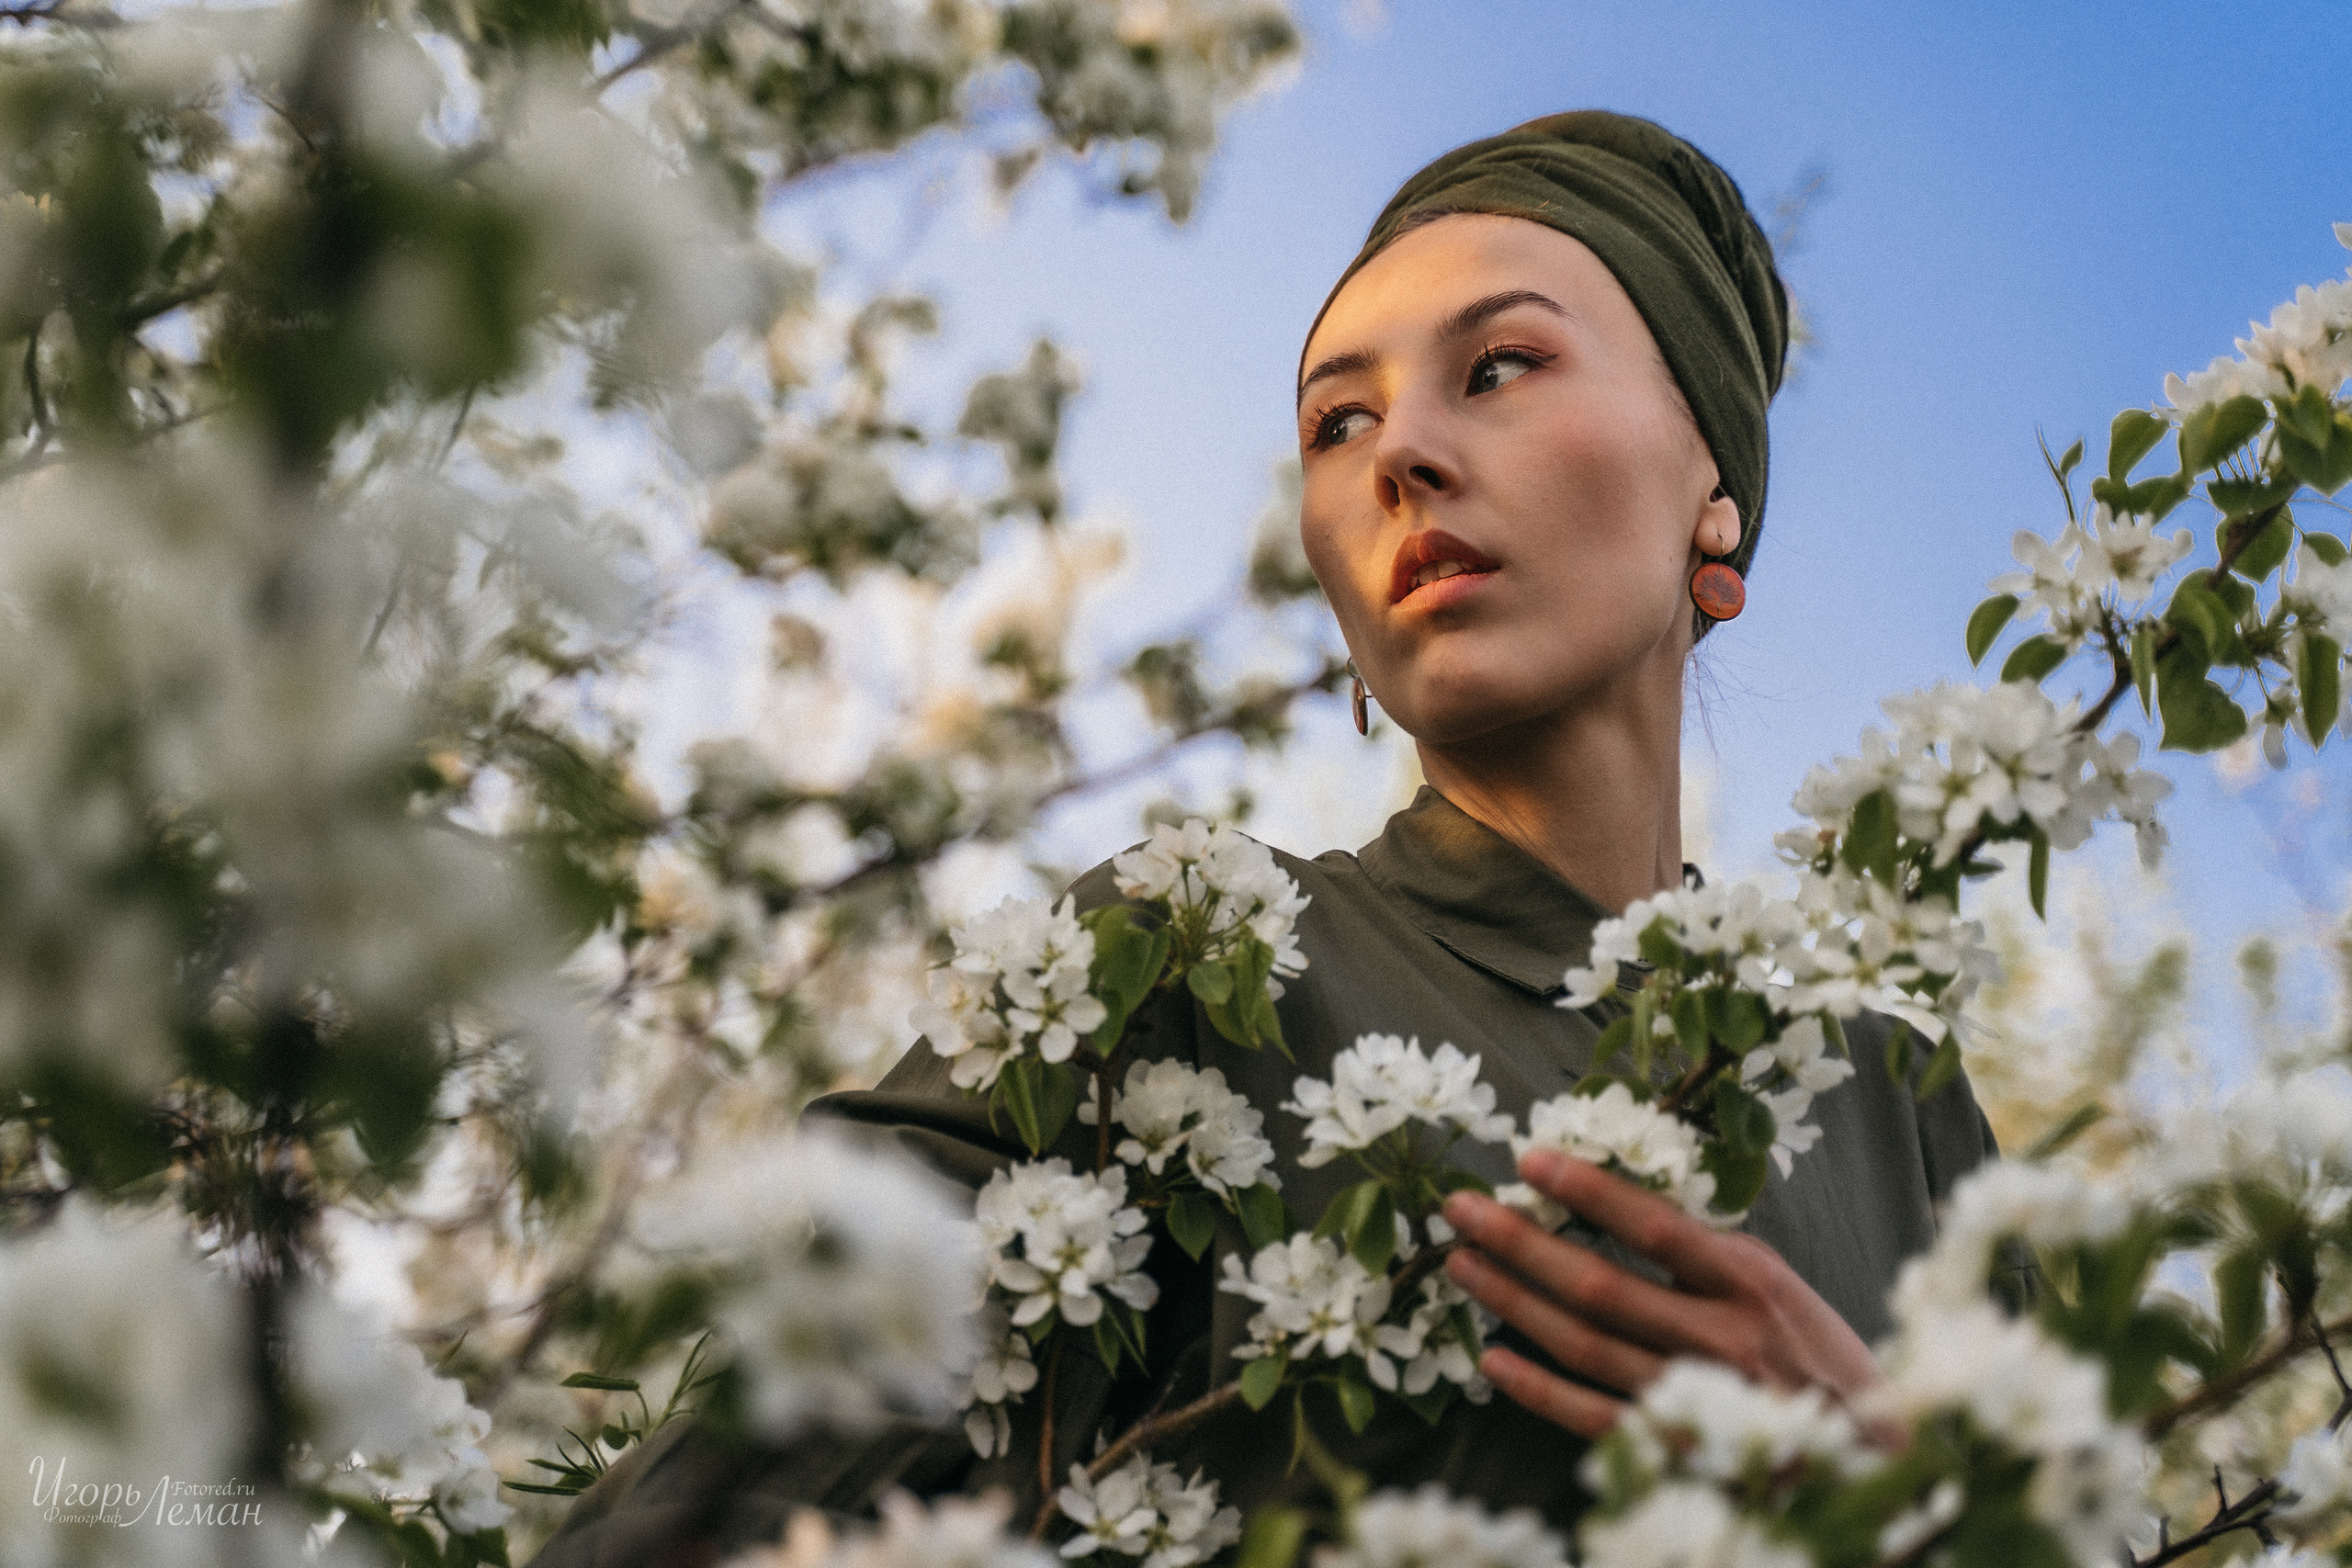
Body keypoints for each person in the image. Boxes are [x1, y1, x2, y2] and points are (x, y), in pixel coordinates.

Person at [526, 110, 2023, 1566]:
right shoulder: (1194, 957)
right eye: (1336, 422)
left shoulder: (1916, 1125)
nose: (1401, 457)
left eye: (1498, 367)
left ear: (1715, 488)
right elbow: (706, 1515)